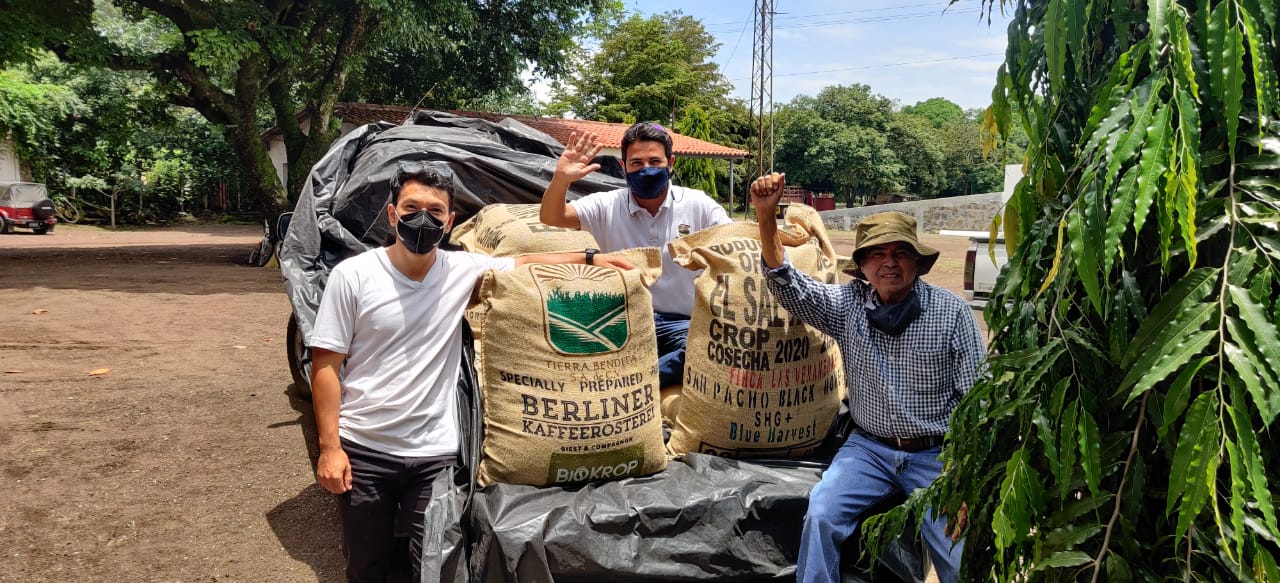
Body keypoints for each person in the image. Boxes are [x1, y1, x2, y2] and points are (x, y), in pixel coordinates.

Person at [308, 167, 630, 583]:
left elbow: (526, 261)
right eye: (411, 208)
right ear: (392, 215)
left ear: (449, 222)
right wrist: (330, 448)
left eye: (435, 211)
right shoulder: (353, 276)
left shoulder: (462, 270)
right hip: (366, 448)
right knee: (366, 566)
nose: (422, 219)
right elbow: (326, 366)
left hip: (435, 455)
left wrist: (591, 258)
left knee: (435, 566)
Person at [749, 173, 984, 583]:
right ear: (861, 265)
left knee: (958, 552)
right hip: (868, 449)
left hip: (936, 456)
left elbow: (977, 403)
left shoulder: (952, 314)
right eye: (877, 254)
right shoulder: (848, 305)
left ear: (918, 261)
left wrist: (962, 477)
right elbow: (785, 282)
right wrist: (767, 218)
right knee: (821, 514)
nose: (889, 263)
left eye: (900, 253)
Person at [539, 121, 733, 388]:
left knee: (710, 348)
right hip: (624, 319)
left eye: (655, 161)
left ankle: (631, 384)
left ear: (671, 163)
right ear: (623, 167)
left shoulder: (697, 205)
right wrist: (561, 179)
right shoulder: (606, 204)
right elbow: (551, 216)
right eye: (636, 163)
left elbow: (734, 246)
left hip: (683, 323)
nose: (646, 170)